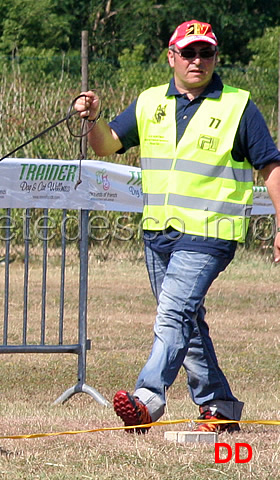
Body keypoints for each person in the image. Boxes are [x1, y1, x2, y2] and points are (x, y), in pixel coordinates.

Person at [75, 20, 280, 434]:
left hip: (210, 234)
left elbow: (271, 167)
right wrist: (92, 119)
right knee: (186, 321)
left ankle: (148, 398)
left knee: (172, 316)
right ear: (172, 57)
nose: (198, 60)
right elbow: (105, 144)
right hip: (158, 234)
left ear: (215, 58)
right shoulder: (150, 102)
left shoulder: (239, 106)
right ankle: (219, 406)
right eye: (189, 53)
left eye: (206, 53)